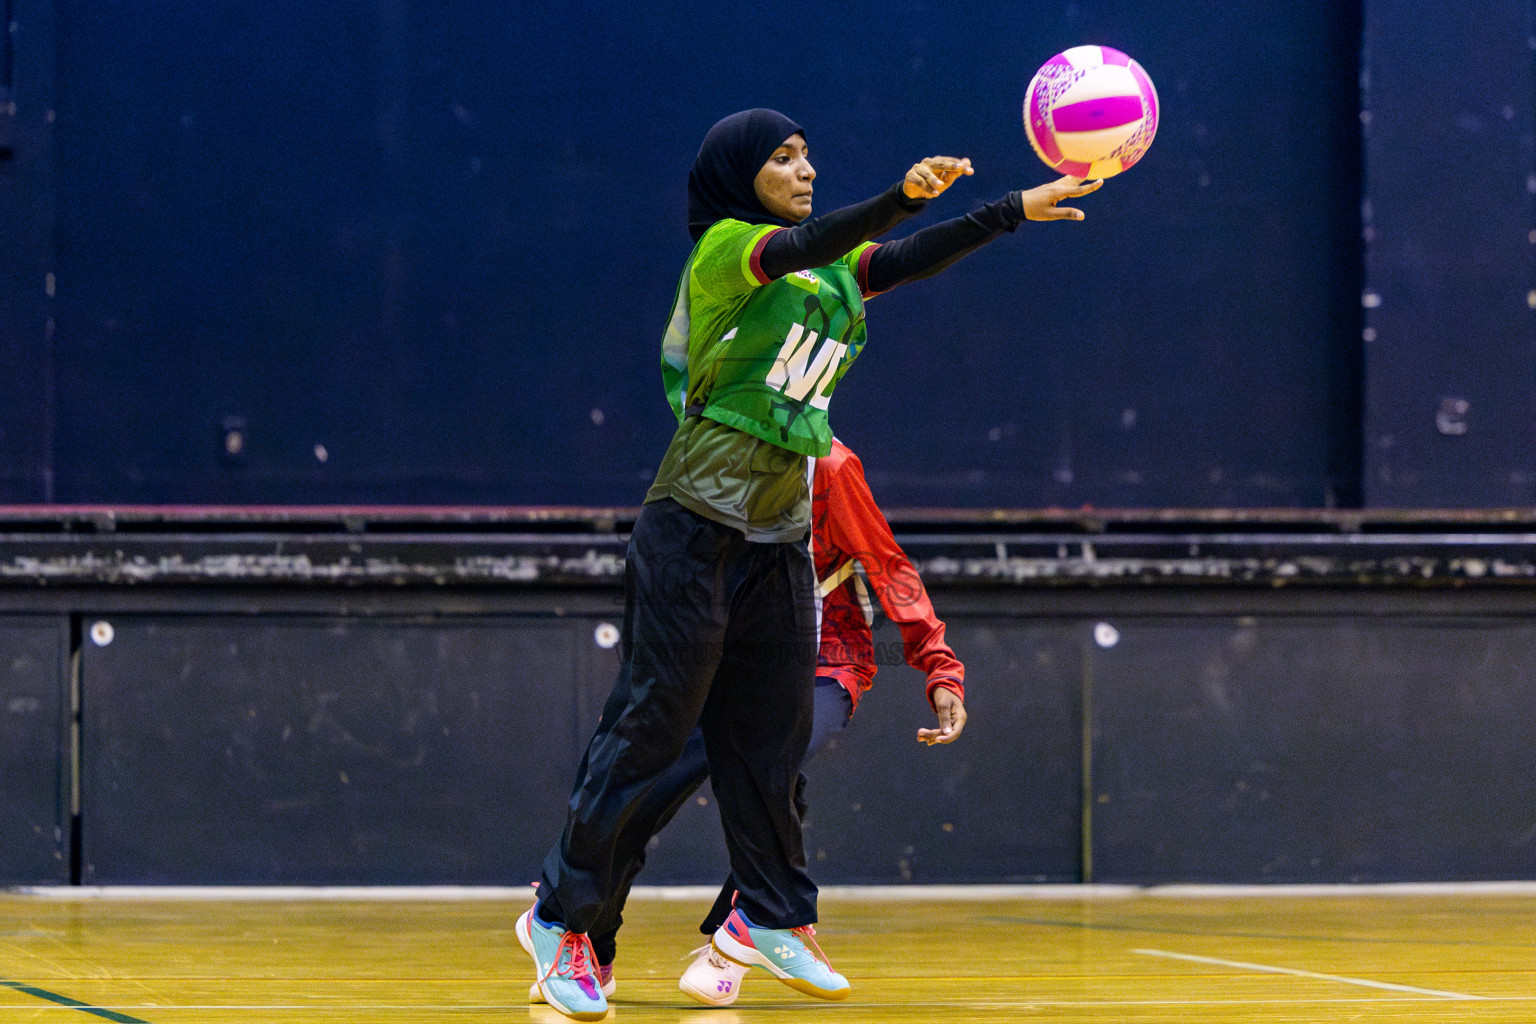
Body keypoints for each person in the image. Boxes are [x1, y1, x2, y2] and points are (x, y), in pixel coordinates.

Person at [517, 107, 1099, 1022]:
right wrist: (896, 196)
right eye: (784, 159)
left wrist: (1013, 207)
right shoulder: (726, 253)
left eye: (807, 154)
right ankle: (562, 920)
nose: (805, 168)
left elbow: (898, 261)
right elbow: (827, 237)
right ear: (740, 174)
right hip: (695, 520)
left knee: (774, 735)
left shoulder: (830, 274)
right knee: (651, 733)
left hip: (778, 529)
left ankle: (776, 916)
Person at [528, 436, 969, 1007]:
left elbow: (888, 564)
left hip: (822, 661)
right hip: (718, 657)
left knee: (776, 772)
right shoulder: (713, 456)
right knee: (647, 789)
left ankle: (738, 940)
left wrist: (940, 667)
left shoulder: (829, 468)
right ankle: (587, 940)